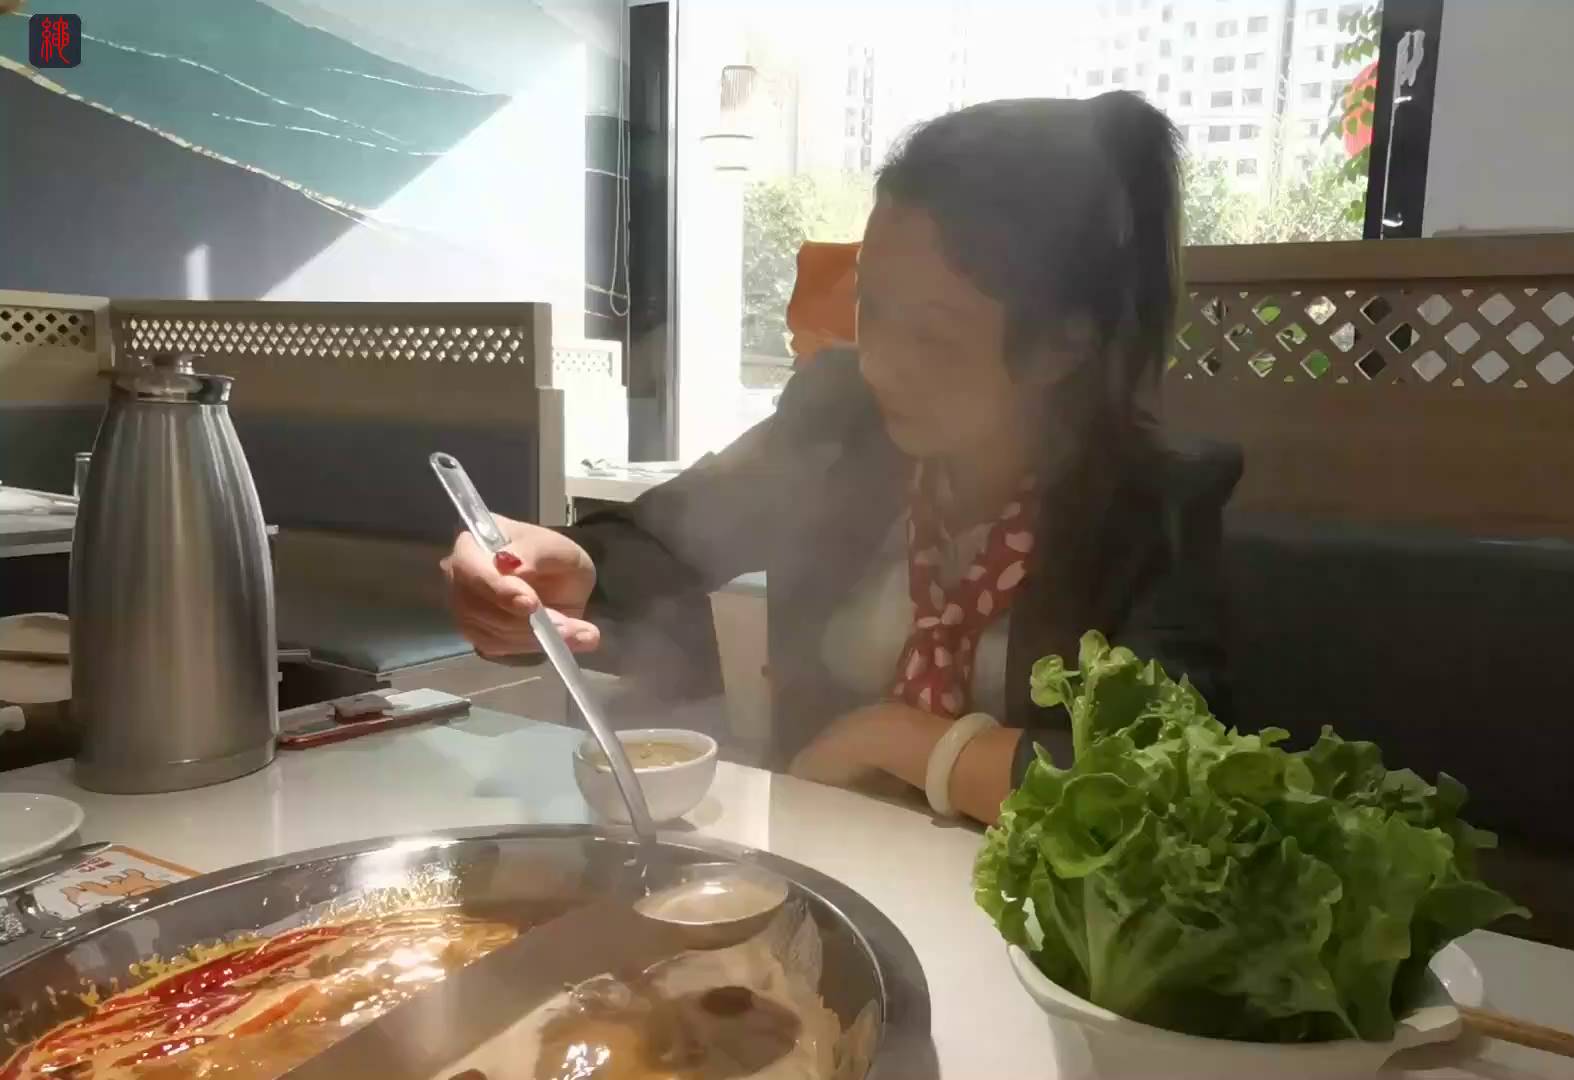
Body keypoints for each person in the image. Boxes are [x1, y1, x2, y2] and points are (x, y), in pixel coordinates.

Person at [442, 91, 1240, 825]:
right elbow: (666, 539)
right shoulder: (839, 418)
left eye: (931, 335)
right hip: (825, 859)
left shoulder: (1155, 501)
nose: (879, 364)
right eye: (870, 307)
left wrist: (895, 740)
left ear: (1063, 345)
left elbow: (1162, 773)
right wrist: (569, 576)